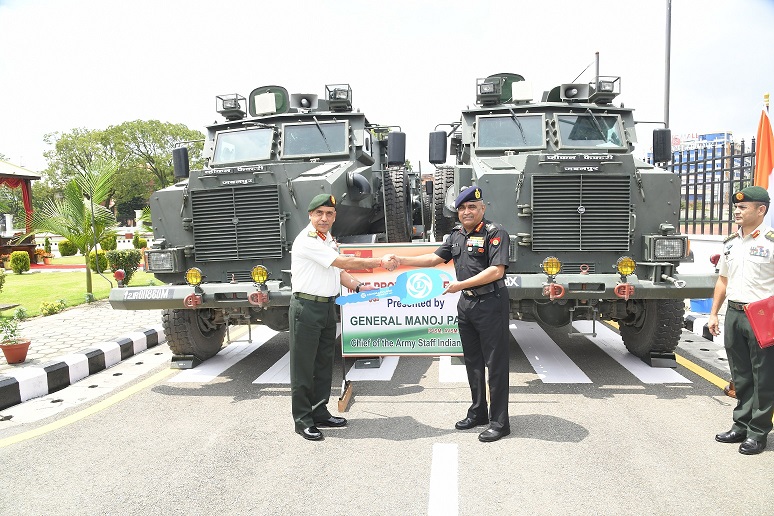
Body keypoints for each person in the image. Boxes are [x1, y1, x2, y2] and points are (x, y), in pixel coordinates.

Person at [386, 186, 511, 442]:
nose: (467, 212)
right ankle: (478, 412)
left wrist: (459, 285)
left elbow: (496, 271)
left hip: (491, 303)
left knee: (496, 364)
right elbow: (433, 259)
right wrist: (400, 259)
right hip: (466, 305)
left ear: (482, 208)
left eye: (472, 207)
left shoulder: (494, 232)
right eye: (462, 208)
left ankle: (500, 423)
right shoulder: (456, 235)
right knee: (472, 362)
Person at [290, 193, 396, 441]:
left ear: (335, 216)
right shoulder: (307, 240)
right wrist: (380, 261)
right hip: (306, 307)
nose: (324, 218)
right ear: (310, 215)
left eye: (329, 213)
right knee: (303, 367)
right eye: (319, 213)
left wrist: (360, 287)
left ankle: (319, 412)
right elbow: (341, 261)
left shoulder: (327, 239)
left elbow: (338, 272)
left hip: (327, 306)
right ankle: (303, 420)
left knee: (323, 364)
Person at [708, 185, 774, 455]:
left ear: (761, 210)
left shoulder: (771, 242)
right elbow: (723, 280)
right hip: (734, 314)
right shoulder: (730, 243)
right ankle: (741, 426)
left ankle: (758, 432)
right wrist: (714, 312)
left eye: (743, 207)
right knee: (741, 375)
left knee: (764, 377)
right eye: (736, 207)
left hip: (762, 316)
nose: (737, 211)